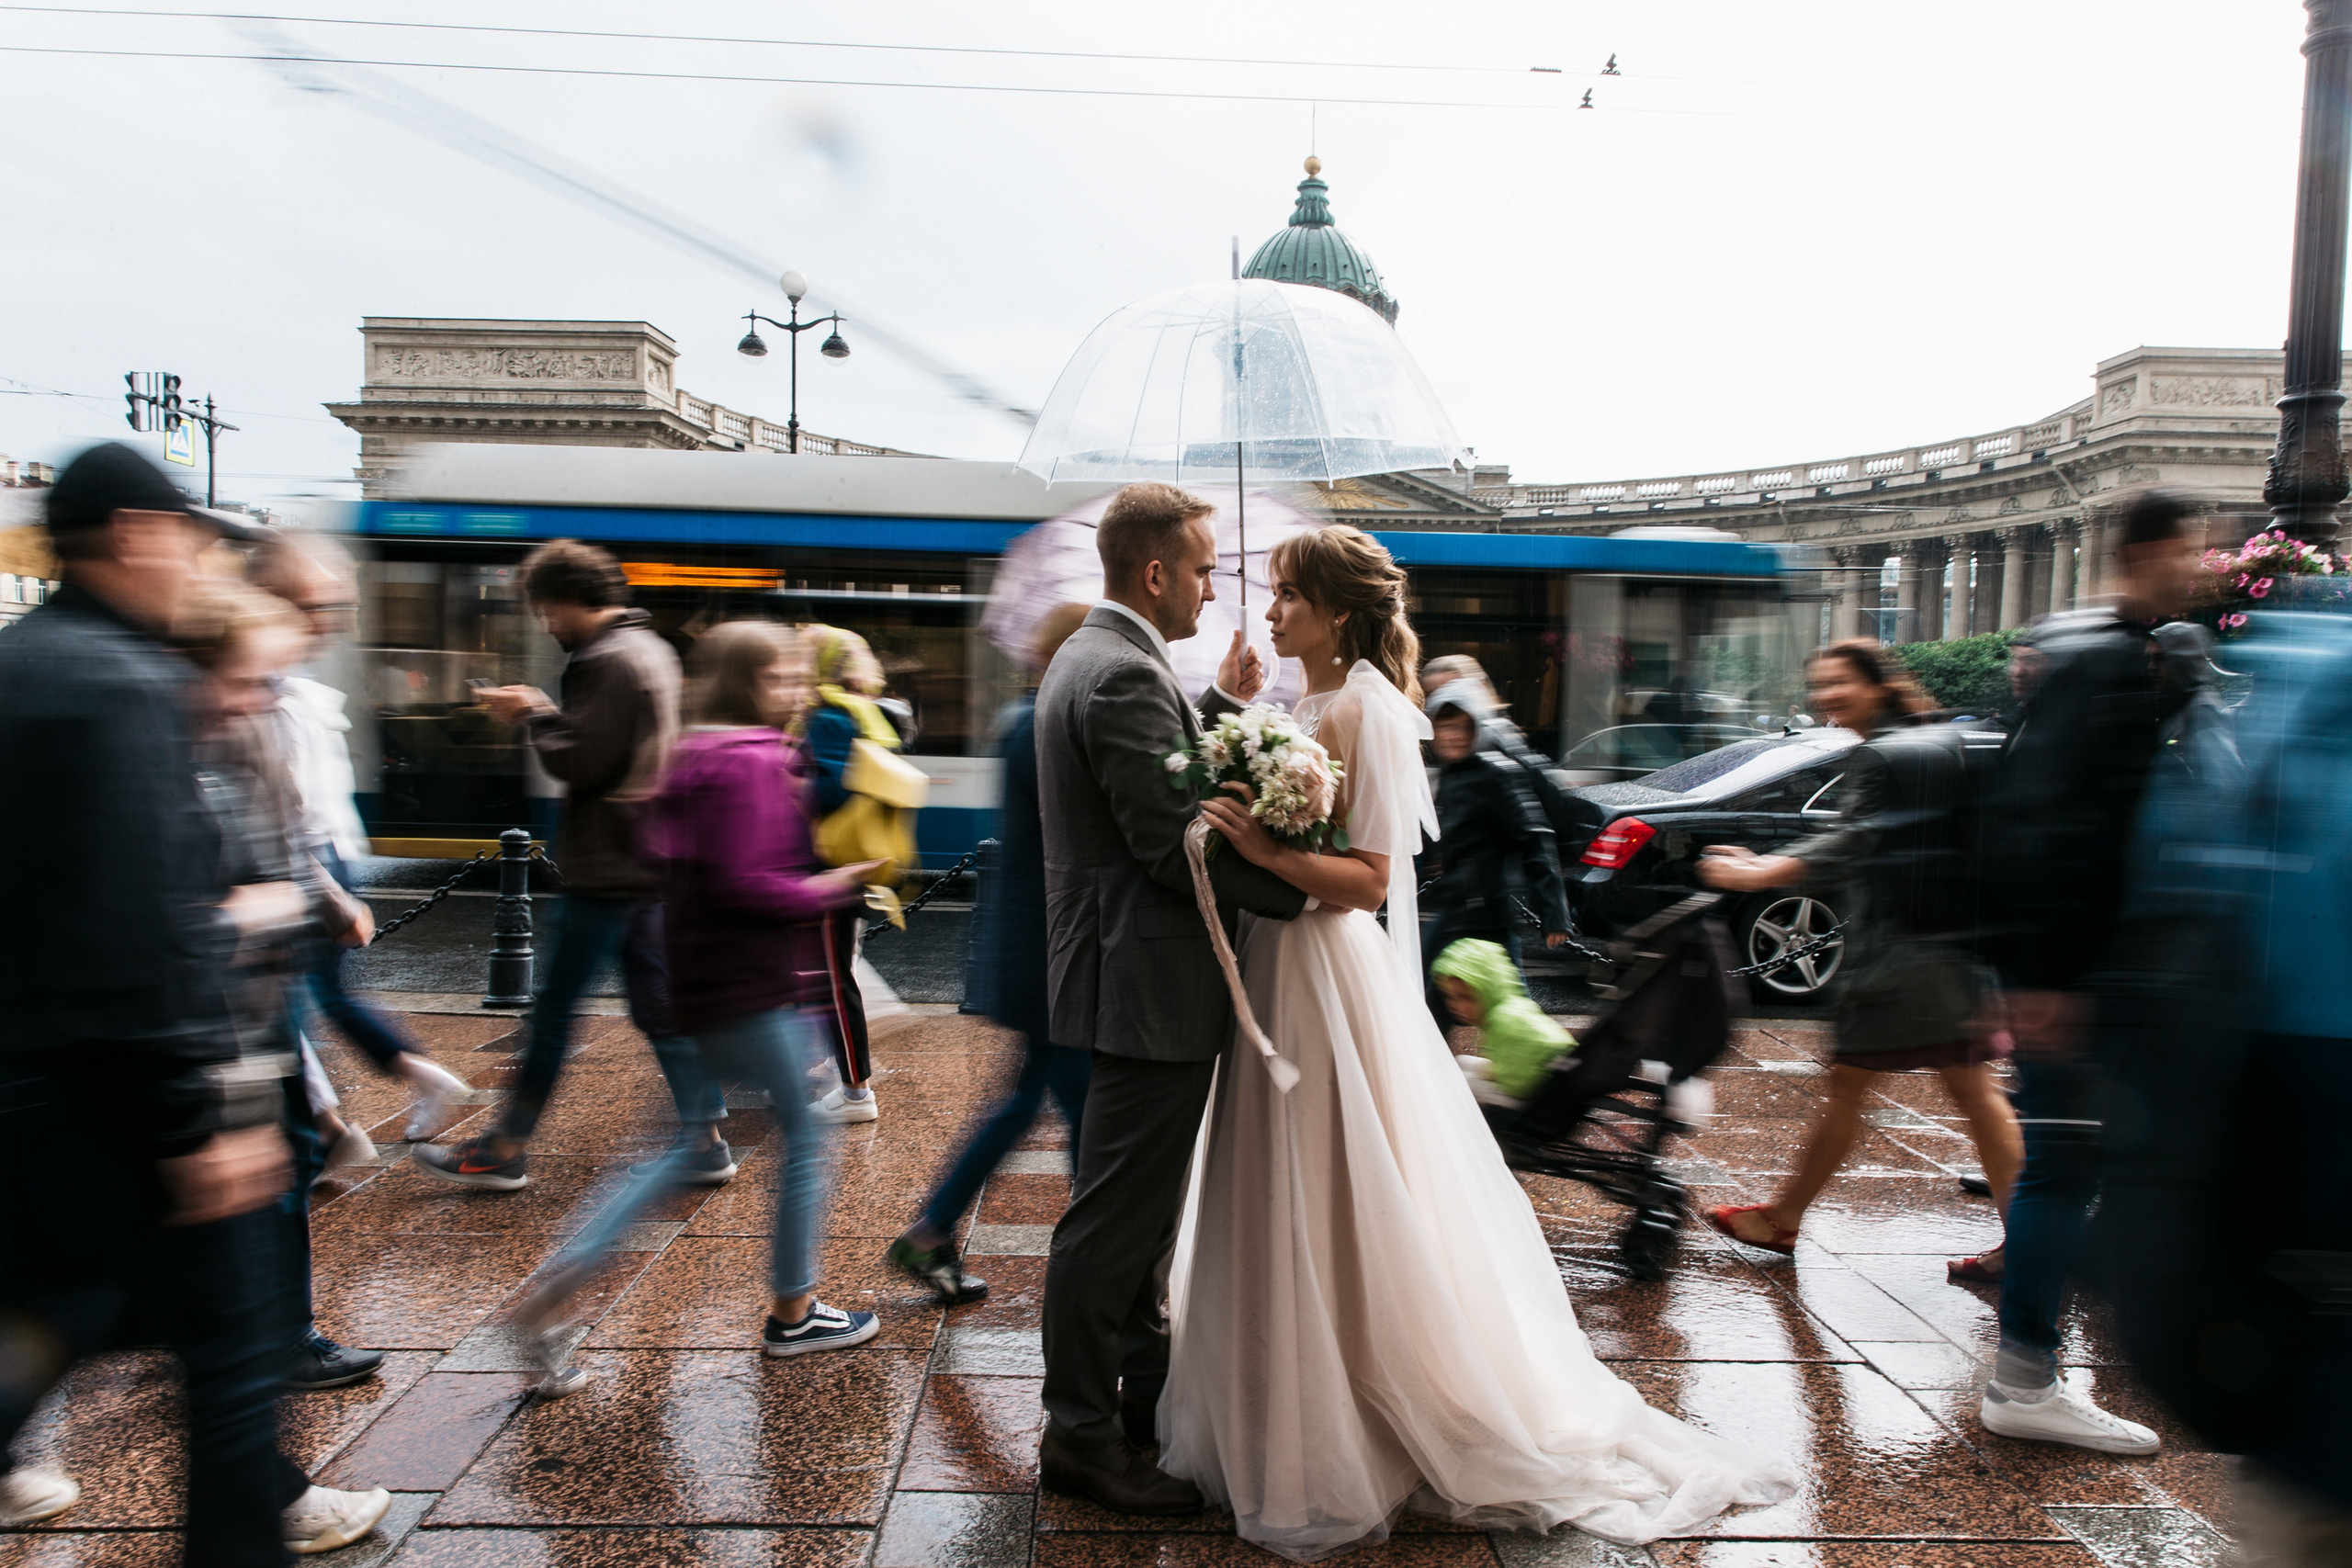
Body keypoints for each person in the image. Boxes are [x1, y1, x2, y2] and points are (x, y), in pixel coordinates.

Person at [1164, 524, 1795, 1559]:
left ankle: (1358, 1398)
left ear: (1337, 609)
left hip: (1322, 972)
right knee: (1274, 1172)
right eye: (1270, 593)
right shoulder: (1300, 706)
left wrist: (1266, 851)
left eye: (1286, 594)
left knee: (1332, 1173)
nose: (1269, 612)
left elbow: (1368, 880)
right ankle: (1279, 1390)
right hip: (1272, 963)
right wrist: (1235, 720)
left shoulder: (1366, 706)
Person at [0, 442, 390, 1557]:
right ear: (135, 534)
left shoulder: (20, 665)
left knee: (64, 1310)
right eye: (186, 536)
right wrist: (203, 1117)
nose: (196, 560)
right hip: (133, 1098)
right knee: (225, 1353)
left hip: (34, 1082)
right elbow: (149, 924)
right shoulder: (124, 686)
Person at [1033, 482, 1309, 1516]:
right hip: (1146, 982)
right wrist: (1313, 890)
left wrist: (1223, 710)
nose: (1210, 588)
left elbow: (1157, 780)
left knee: (1138, 1218)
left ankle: (1140, 1404)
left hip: (1127, 975)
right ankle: (1079, 1435)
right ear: (1155, 573)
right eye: (1201, 569)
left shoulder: (1100, 657)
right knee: (1116, 1223)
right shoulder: (1120, 673)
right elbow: (1172, 845)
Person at [514, 621, 884, 1381]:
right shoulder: (753, 761)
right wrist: (830, 885)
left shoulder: (693, 753)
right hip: (754, 986)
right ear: (746, 683)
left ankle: (560, 1283)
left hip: (697, 983)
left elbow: (665, 856)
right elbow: (749, 883)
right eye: (780, 678)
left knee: (682, 1145)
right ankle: (794, 1311)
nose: (796, 690)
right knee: (806, 1138)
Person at [1973, 489, 2204, 1455]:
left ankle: (2038, 1364)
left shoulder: (2101, 653)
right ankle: (2026, 1376)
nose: (2201, 568)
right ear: (2147, 551)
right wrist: (2046, 978)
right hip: (2078, 974)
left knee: (2078, 1162)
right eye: (2189, 551)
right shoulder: (2105, 662)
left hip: (2085, 967)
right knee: (2064, 1167)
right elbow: (2044, 824)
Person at [1693, 640, 2022, 1270]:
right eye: (1819, 684)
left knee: (1852, 1085)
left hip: (1901, 957)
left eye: (1839, 681)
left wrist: (1762, 872)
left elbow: (1856, 840)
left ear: (1878, 684)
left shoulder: (1883, 753)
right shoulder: (1928, 740)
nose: (1826, 696)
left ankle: (1782, 1219)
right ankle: (2026, 1243)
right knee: (1974, 1093)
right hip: (1950, 948)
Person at [416, 539, 714, 1191]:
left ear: (567, 599)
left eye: (546, 611)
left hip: (607, 866)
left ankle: (505, 1148)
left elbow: (582, 760)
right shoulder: (652, 648)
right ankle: (704, 1140)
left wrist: (534, 712)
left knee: (553, 1013)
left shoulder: (604, 659)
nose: (547, 625)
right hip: (645, 859)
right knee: (659, 1008)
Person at [175, 581, 392, 1398]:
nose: (263, 697)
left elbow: (287, 832)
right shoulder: (176, 744)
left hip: (258, 991)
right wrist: (242, 912)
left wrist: (326, 901)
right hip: (217, 1006)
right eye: (247, 678)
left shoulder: (251, 723)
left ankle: (276, 1336)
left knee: (288, 1148)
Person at [888, 603, 1093, 1305]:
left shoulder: (1023, 718)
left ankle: (933, 1228)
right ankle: (1097, 1257)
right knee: (1080, 1109)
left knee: (1031, 1098)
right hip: (1049, 954)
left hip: (1035, 952)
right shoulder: (1041, 724)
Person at [250, 533, 471, 1149]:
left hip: (309, 864)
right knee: (303, 1001)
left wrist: (330, 893)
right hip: (322, 860)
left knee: (290, 1005)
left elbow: (287, 816)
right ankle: (333, 1127)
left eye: (335, 607)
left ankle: (327, 1132)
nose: (334, 624)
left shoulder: (278, 690)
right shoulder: (283, 684)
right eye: (322, 606)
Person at [798, 625, 913, 1125]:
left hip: (829, 864)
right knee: (831, 972)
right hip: (852, 861)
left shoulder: (828, 717)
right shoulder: (864, 711)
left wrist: (791, 779)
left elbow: (832, 790)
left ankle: (854, 1090)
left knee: (832, 979)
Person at [1420, 685, 1572, 1033]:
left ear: (1478, 728)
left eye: (1463, 726)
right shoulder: (1450, 774)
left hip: (1485, 917)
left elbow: (1535, 838)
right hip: (1456, 912)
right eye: (1446, 726)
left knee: (1507, 1010)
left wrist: (1554, 913)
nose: (1454, 735)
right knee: (1433, 1002)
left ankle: (1542, 1061)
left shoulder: (1495, 774)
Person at [1430, 936, 1577, 1107]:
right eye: (1450, 997)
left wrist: (1493, 1074)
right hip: (1553, 1078)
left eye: (1466, 998)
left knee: (1461, 1082)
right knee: (1461, 1062)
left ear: (1486, 991)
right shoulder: (1513, 1005)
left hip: (1537, 1099)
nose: (1457, 1007)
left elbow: (1518, 1086)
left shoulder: (1502, 1022)